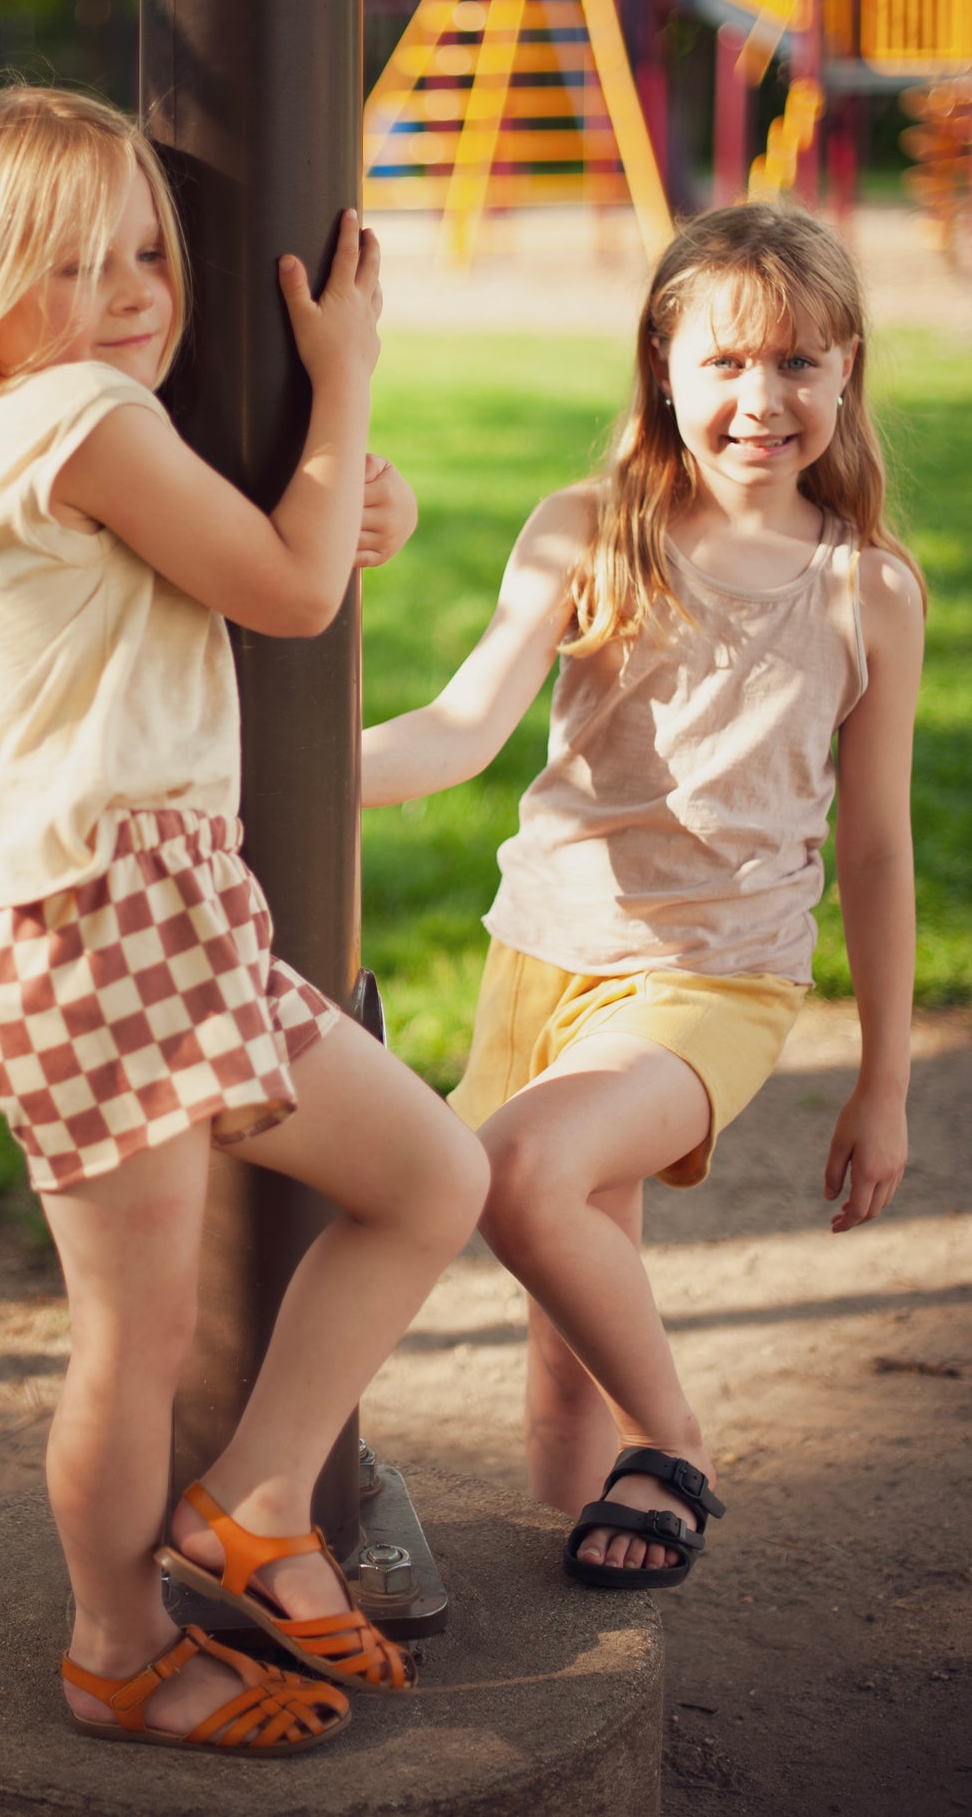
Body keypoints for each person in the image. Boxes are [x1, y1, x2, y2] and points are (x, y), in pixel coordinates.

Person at [0, 85, 489, 1753]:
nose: (135, 288)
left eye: (149, 245)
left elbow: (286, 548)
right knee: (130, 1346)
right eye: (73, 263)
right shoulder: (73, 411)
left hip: (163, 927)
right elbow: (291, 592)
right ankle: (116, 1648)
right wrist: (345, 376)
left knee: (434, 1174)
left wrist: (357, 489)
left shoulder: (67, 424)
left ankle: (258, 1498)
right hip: (90, 939)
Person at [362, 203, 925, 1591]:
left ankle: (670, 1444)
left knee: (518, 1174)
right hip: (541, 959)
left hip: (712, 980)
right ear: (659, 367)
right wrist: (296, 777)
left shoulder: (866, 594)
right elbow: (456, 728)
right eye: (725, 362)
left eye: (797, 362)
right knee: (557, 1344)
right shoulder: (585, 532)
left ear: (846, 371)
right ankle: (572, 1614)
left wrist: (882, 1082)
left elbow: (875, 848)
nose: (760, 397)